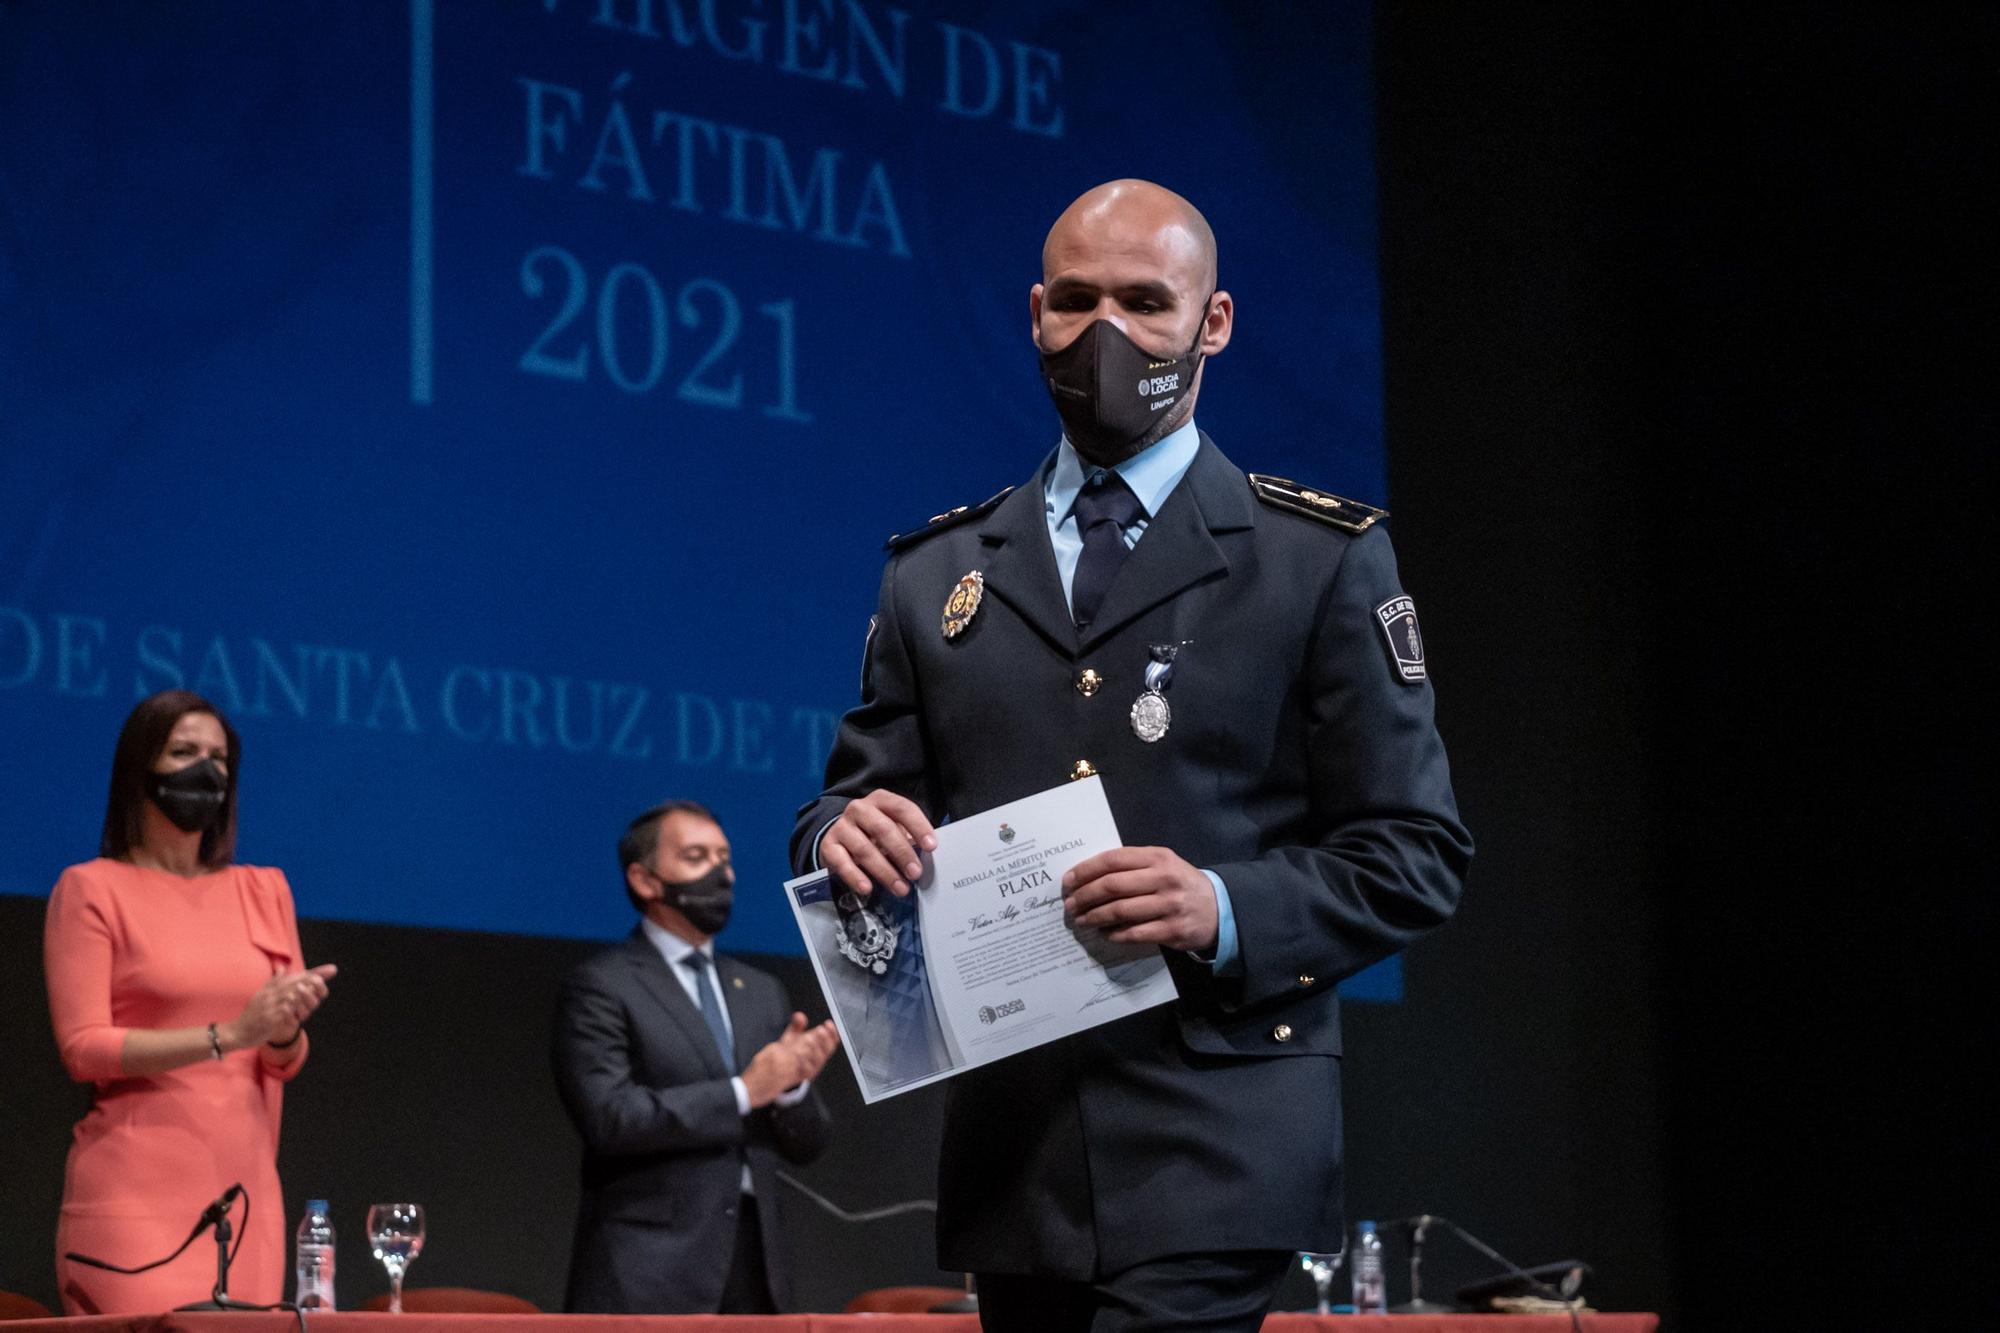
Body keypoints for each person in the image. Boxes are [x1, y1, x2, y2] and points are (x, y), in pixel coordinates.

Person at [791, 179, 1473, 1332]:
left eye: (1146, 302)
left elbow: (1414, 852)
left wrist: (1219, 903)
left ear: (1211, 324)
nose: (1105, 333)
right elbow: (853, 799)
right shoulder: (933, 575)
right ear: (1033, 314)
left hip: (1215, 1150)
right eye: (1075, 300)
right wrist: (837, 831)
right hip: (1015, 1160)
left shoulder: (1318, 560)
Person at [43, 690, 337, 1315]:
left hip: (246, 1203)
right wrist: (229, 1033)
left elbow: (280, 1059)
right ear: (140, 770)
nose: (206, 770)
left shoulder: (265, 890)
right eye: (183, 752)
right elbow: (83, 1047)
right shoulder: (92, 889)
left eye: (219, 759)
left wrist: (283, 1031)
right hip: (133, 1203)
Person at [552, 799, 838, 1314]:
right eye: (696, 856)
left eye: (725, 858)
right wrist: (746, 1092)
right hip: (646, 1275)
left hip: (756, 1270)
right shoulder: (602, 986)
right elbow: (611, 1119)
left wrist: (791, 1087)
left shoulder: (761, 990)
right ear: (644, 880)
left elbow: (807, 1143)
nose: (720, 873)